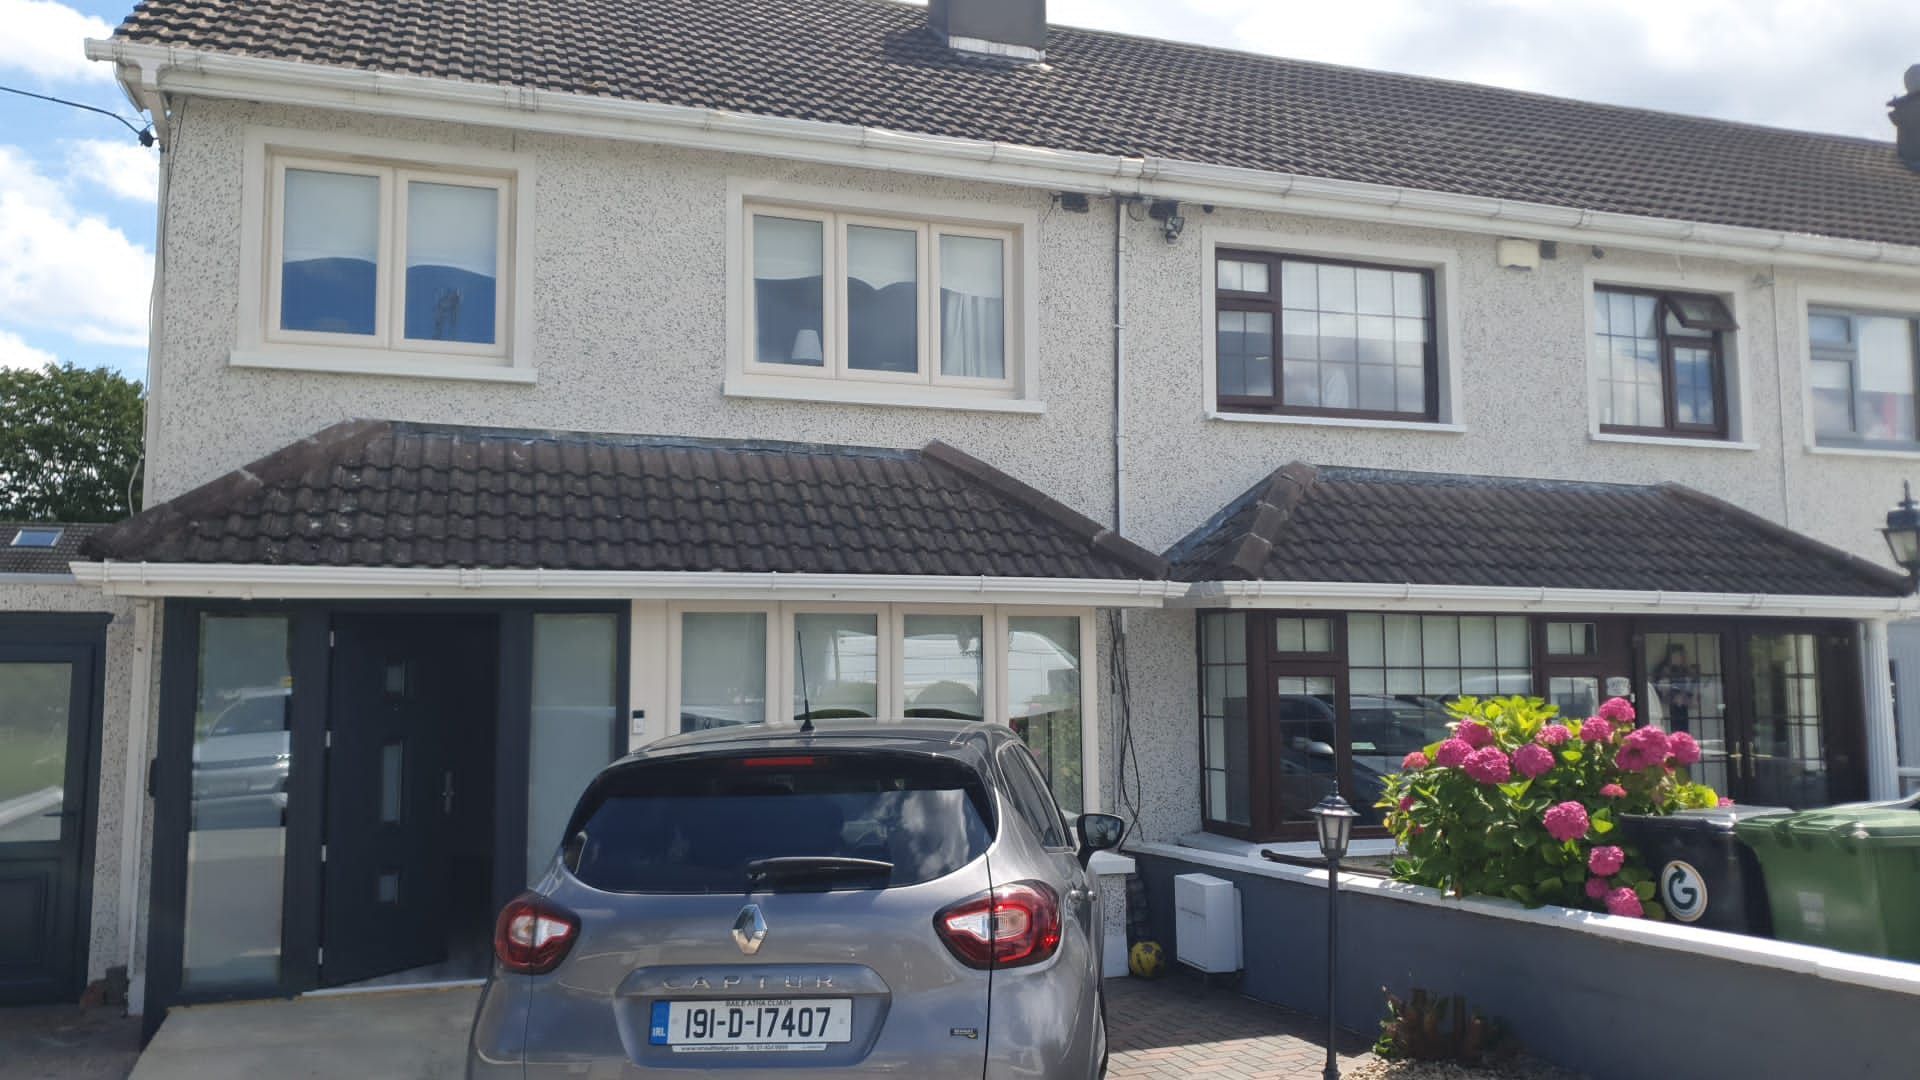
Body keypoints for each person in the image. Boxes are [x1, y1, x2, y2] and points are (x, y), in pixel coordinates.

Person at [1651, 642, 1697, 731]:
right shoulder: (1664, 669)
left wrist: (1686, 696)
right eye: (1676, 655)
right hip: (1667, 706)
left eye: (1681, 656)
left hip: (1684, 706)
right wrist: (1673, 695)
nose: (1678, 658)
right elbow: (1661, 686)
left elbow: (1692, 686)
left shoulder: (1687, 670)